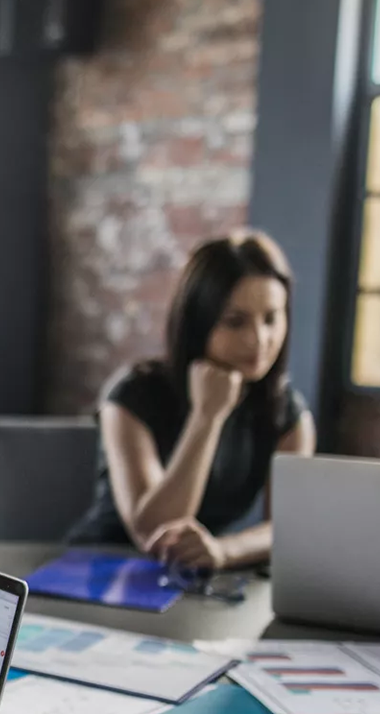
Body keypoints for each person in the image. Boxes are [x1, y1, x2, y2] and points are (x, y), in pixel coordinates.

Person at [66, 231, 316, 570]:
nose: (259, 339)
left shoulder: (287, 413)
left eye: (271, 318)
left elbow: (288, 527)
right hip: (102, 566)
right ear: (198, 323)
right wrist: (207, 416)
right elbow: (155, 532)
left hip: (190, 575)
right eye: (235, 322)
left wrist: (223, 551)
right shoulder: (132, 394)